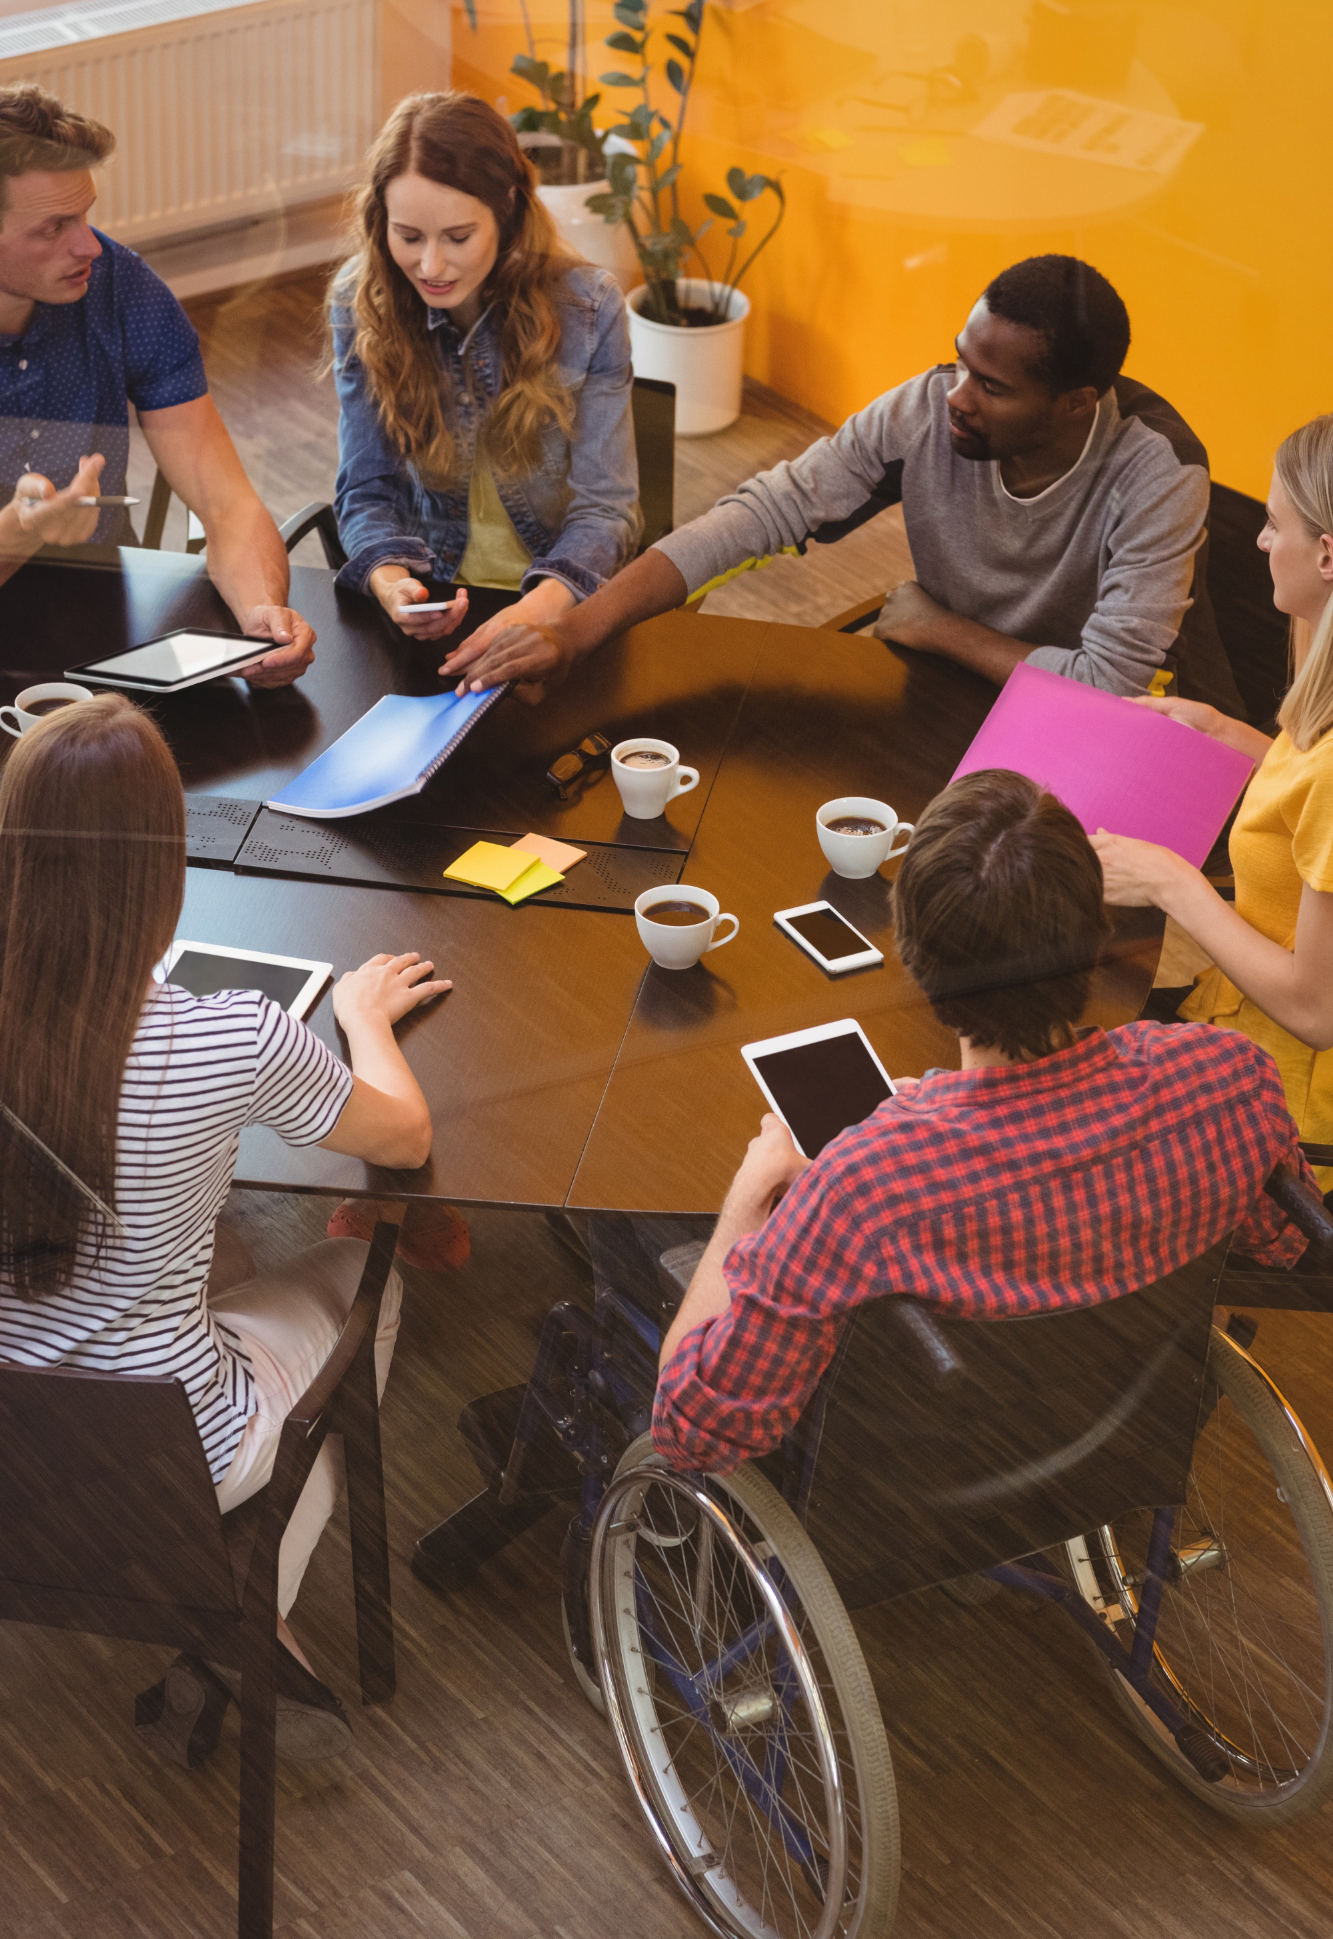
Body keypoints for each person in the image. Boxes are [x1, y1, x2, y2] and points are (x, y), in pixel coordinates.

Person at [0, 696, 447, 1759]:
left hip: (12, 1445)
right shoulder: (226, 1038)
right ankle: (242, 1617)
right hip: (173, 1452)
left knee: (221, 1246)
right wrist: (366, 1020)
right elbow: (402, 1134)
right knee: (360, 1274)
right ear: (164, 868)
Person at [650, 769, 1315, 1473]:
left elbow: (691, 1434)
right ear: (1097, 931)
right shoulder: (1229, 1080)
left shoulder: (856, 1192)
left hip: (920, 1486)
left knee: (649, 1246)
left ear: (915, 958)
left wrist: (747, 1208)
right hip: (1118, 1443)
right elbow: (1277, 1248)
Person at [448, 254, 1241, 717]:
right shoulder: (931, 409)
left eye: (992, 387)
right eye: (960, 362)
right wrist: (576, 632)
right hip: (956, 696)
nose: (956, 396)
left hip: (1118, 731)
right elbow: (762, 513)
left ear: (1074, 405)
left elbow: (1106, 689)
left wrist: (941, 630)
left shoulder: (1155, 472)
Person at [0, 82, 314, 686]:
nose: (88, 243)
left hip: (95, 621)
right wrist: (20, 535)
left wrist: (260, 618)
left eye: (86, 215)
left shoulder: (118, 286)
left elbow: (227, 505)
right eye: (54, 226)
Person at [1094, 413, 1333, 1190]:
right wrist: (1222, 731)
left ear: (1326, 553)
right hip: (1233, 1029)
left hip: (1285, 1120)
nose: (1261, 542)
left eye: (1272, 524)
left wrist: (1172, 884)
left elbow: (1315, 1009)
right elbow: (1312, 818)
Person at [329, 90, 638, 663]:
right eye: (409, 236)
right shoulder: (359, 300)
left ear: (509, 210)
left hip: (555, 607)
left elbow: (606, 509)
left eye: (459, 237)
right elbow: (366, 487)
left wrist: (538, 610)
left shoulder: (589, 309)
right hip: (434, 600)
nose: (431, 266)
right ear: (381, 222)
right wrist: (391, 582)